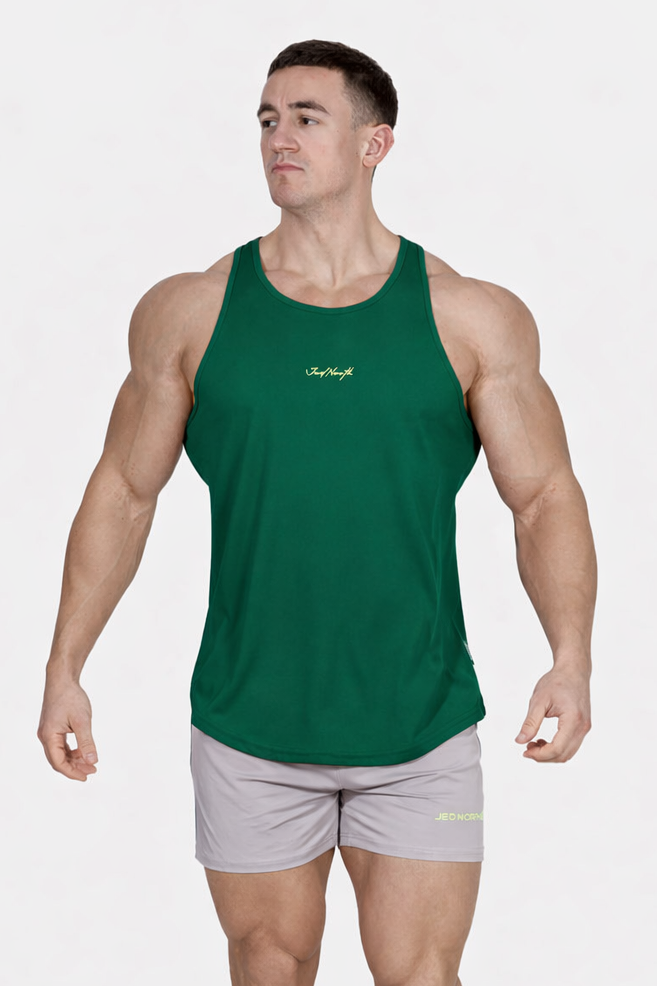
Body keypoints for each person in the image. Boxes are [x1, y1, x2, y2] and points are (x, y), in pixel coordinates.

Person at [37, 38, 596, 986]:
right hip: (248, 726)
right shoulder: (191, 311)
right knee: (269, 966)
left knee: (422, 975)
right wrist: (65, 667)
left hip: (422, 728)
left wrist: (570, 659)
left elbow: (543, 497)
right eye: (266, 119)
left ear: (375, 144)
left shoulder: (469, 315)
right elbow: (124, 493)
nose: (278, 138)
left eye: (306, 118)